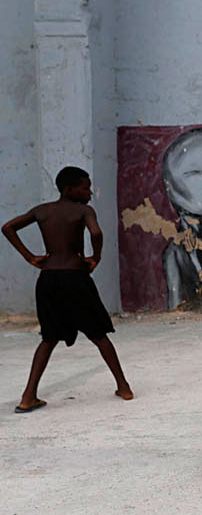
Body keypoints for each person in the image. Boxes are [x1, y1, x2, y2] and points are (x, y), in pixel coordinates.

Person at [2, 167, 133, 413]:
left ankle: (28, 397)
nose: (90, 192)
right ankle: (123, 387)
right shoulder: (84, 211)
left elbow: (8, 227)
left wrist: (30, 257)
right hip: (75, 277)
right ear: (69, 189)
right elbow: (96, 232)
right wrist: (96, 257)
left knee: (49, 338)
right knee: (98, 334)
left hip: (48, 278)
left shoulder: (41, 211)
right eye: (85, 187)